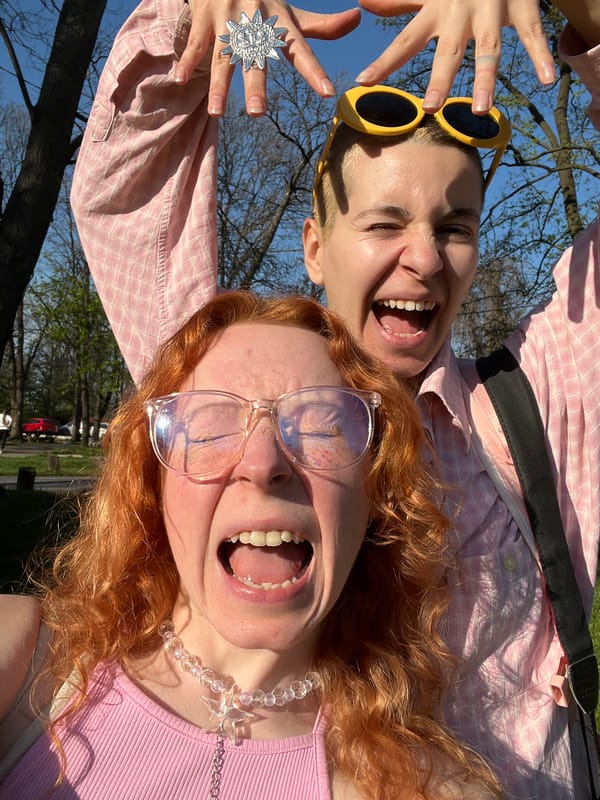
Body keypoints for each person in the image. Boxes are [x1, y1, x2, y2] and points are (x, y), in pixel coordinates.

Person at [69, 0, 600, 796]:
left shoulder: (529, 411)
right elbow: (129, 196)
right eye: (385, 223)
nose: (424, 257)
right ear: (315, 247)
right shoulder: (227, 383)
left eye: (455, 226)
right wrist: (220, 23)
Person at [0, 292, 501, 799]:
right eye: (210, 425)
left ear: (377, 496)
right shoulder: (26, 661)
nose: (263, 464)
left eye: (322, 425)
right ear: (154, 484)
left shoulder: (424, 789)